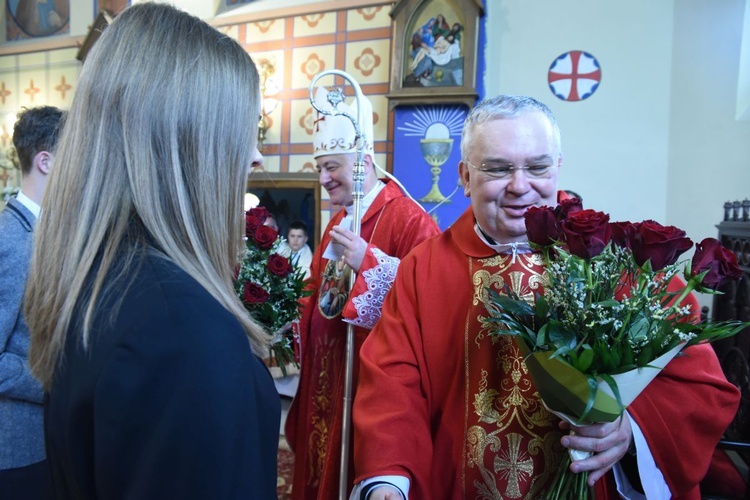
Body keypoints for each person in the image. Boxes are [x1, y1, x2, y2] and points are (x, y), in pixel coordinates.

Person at [352, 95, 741, 499]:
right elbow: (392, 382)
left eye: (537, 167)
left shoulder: (616, 259)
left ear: (557, 169)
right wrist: (388, 479)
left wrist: (630, 429)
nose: (520, 186)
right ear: (466, 177)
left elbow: (700, 387)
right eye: (498, 169)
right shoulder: (424, 269)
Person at [23, 4, 279, 499]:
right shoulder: (180, 328)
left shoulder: (102, 280)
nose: (256, 155)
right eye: (242, 129)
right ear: (188, 145)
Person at [285, 84, 440, 499]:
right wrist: (285, 310)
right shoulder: (343, 218)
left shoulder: (409, 219)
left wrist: (370, 263)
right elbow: (317, 290)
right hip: (326, 375)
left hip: (367, 385)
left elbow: (431, 301)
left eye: (331, 167)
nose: (322, 179)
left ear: (363, 162)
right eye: (319, 168)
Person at [0, 105, 64, 500]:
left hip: (45, 438)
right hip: (17, 448)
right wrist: (56, 380)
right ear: (45, 161)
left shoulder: (41, 233)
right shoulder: (11, 240)